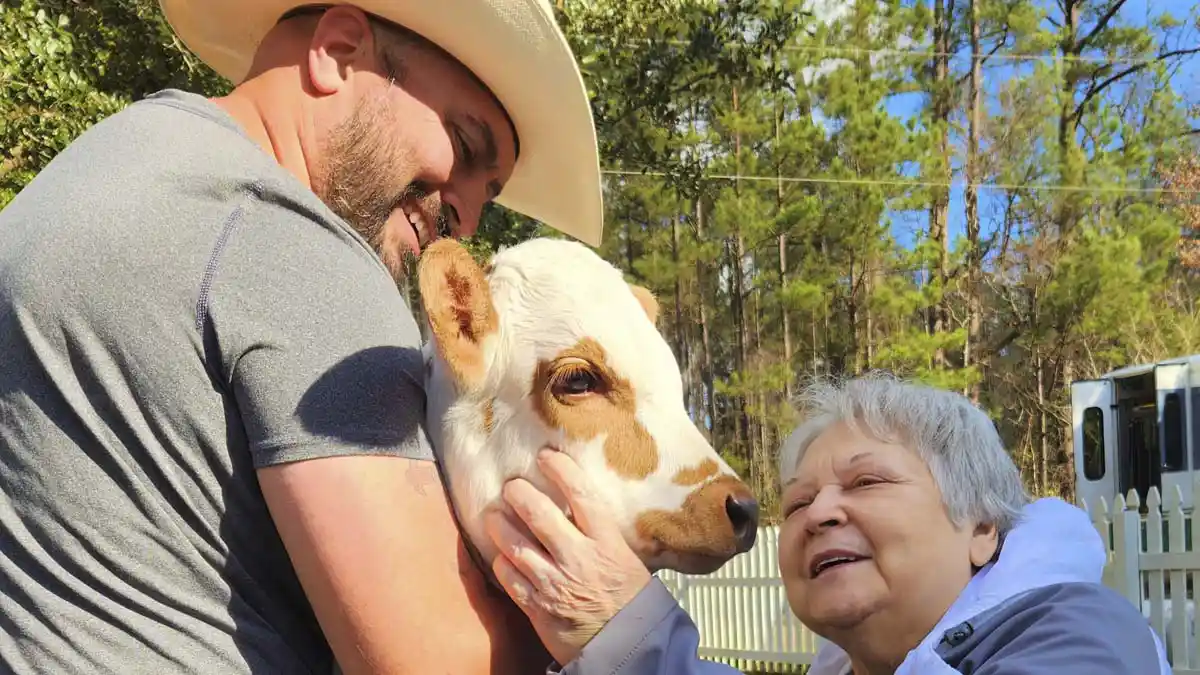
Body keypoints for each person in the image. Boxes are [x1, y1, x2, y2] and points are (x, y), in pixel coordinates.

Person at [0, 1, 603, 674]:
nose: (465, 212)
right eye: (465, 147)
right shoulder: (289, 242)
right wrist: (604, 622)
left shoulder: (92, 170)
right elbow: (437, 661)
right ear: (337, 51)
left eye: (488, 192)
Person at [488, 374, 1172, 674]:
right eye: (799, 498)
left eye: (867, 480)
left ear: (982, 527)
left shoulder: (1083, 631)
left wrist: (635, 643)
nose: (819, 513)